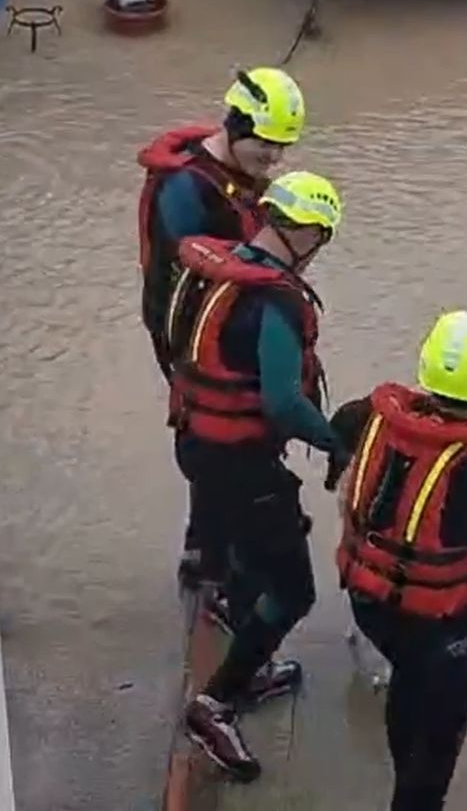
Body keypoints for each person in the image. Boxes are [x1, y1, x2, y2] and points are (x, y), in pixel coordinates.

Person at [165, 171, 348, 782]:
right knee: (295, 591)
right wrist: (336, 441)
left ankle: (254, 663)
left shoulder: (215, 271)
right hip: (240, 462)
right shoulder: (273, 302)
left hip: (196, 443)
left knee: (247, 559)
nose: (319, 249)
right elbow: (282, 403)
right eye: (319, 237)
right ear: (300, 231)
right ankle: (215, 703)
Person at [329, 311, 467, 811]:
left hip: (369, 601)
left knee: (408, 684)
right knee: (440, 734)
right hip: (437, 626)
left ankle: (406, 779)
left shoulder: (368, 416)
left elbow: (337, 444)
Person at [136, 67, 306, 589]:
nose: (274, 160)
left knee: (216, 442)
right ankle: (219, 565)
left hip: (221, 328)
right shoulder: (186, 191)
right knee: (221, 434)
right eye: (266, 145)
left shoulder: (231, 179)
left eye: (282, 149)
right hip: (194, 336)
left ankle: (204, 545)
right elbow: (192, 277)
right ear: (235, 125)